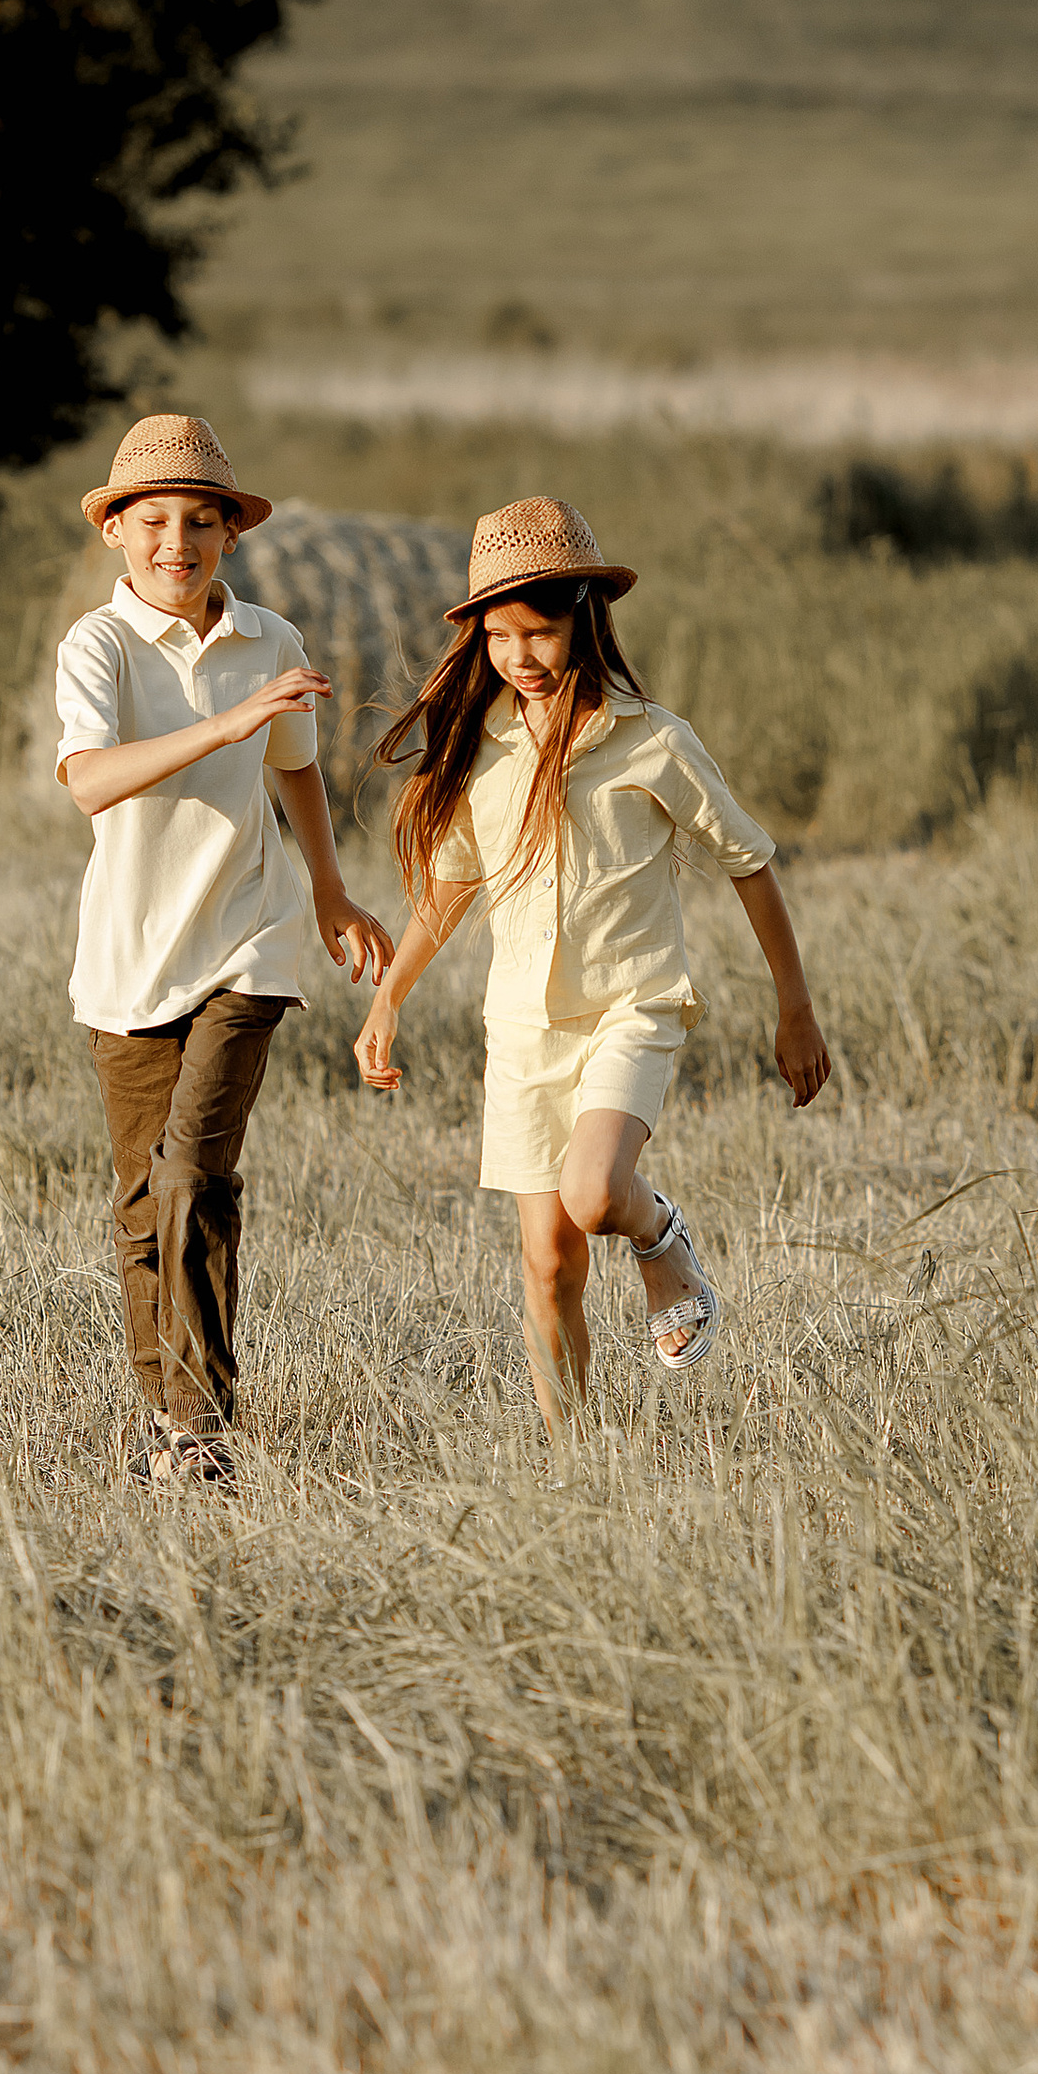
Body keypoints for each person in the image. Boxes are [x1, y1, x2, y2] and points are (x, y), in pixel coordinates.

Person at [353, 496, 829, 1429]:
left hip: (631, 1007)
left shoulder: (653, 739)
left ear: (585, 617)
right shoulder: (482, 747)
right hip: (522, 1029)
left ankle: (663, 1242)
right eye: (499, 636)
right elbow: (450, 886)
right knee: (549, 1263)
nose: (519, 656)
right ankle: (571, 1462)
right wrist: (389, 998)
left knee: (597, 1192)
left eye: (539, 632)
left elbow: (751, 863)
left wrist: (796, 1008)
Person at [55, 413, 394, 1489]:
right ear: (115, 530)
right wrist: (226, 724)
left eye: (201, 521)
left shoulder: (270, 640)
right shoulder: (96, 646)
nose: (178, 542)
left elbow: (296, 767)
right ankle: (166, 1422)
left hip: (250, 936)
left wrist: (330, 892)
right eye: (154, 520)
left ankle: (203, 1427)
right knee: (141, 1201)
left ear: (230, 535)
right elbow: (90, 781)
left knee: (196, 1172)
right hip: (130, 954)